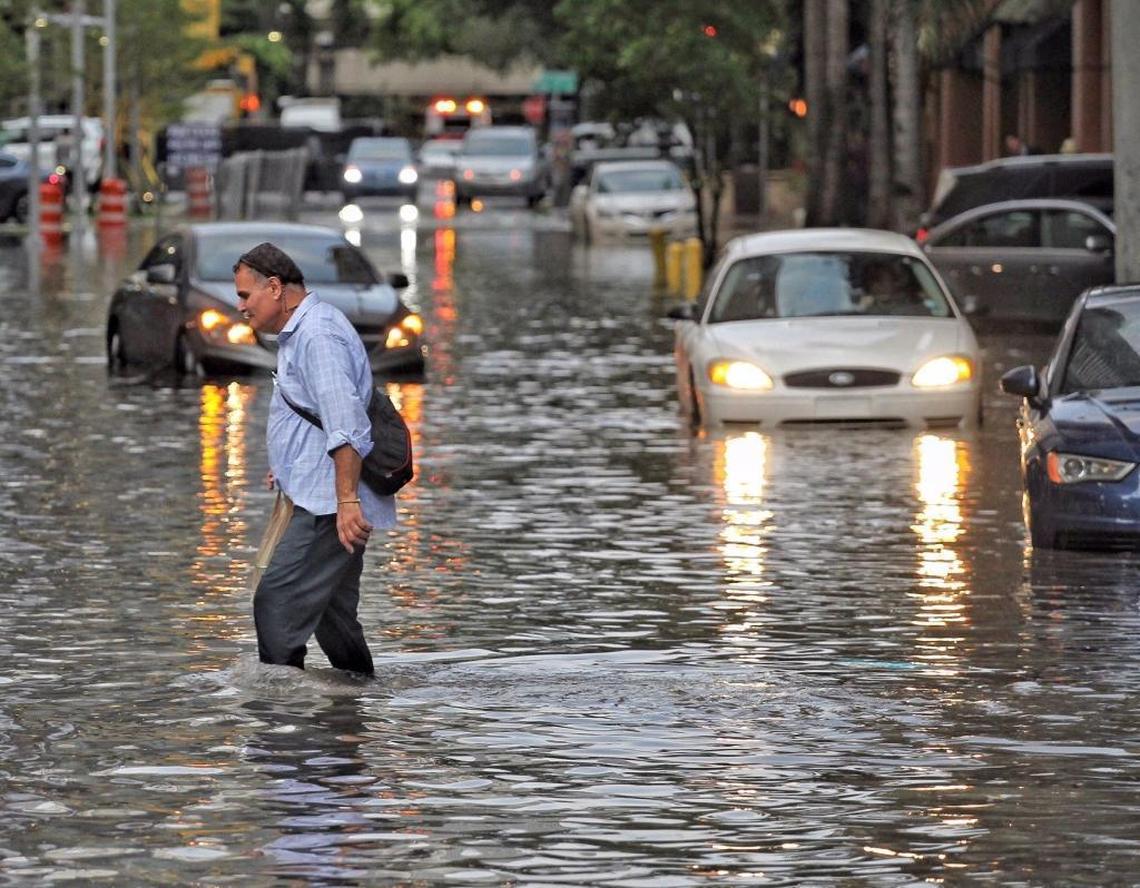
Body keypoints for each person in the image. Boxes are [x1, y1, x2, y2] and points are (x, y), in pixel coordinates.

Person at [234, 242, 395, 675]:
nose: (241, 308)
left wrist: (346, 502)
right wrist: (286, 462)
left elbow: (346, 425)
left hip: (327, 505)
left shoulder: (317, 336)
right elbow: (311, 413)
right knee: (332, 616)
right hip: (322, 494)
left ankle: (281, 721)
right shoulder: (302, 333)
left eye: (245, 296)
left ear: (274, 288)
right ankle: (357, 703)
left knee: (277, 602)